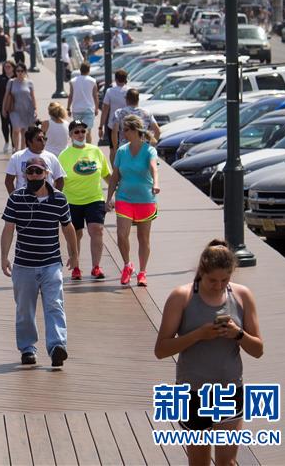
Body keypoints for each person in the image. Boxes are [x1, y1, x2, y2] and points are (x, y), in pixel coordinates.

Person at [154, 240, 263, 466]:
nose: (219, 286)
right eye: (213, 280)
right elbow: (161, 350)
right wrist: (198, 335)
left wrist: (238, 334)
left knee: (227, 462)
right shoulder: (181, 297)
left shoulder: (242, 296)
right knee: (199, 462)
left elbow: (258, 350)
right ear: (201, 272)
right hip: (192, 391)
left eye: (225, 280)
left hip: (229, 389)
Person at [0, 156, 78, 368]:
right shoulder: (16, 198)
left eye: (38, 171)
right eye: (30, 172)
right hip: (24, 264)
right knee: (25, 310)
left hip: (51, 263)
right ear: (25, 175)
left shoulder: (59, 199)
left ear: (47, 174)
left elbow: (68, 227)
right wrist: (4, 256)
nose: (34, 176)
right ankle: (27, 349)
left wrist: (74, 254)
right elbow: (8, 228)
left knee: (55, 305)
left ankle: (57, 346)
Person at [106, 114, 160, 287]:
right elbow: (115, 177)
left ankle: (142, 272)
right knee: (121, 234)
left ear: (136, 130)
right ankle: (127, 265)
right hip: (124, 198)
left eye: (126, 130)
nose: (123, 133)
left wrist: (156, 184)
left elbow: (153, 168)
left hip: (145, 199)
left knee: (143, 238)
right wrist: (109, 198)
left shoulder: (149, 150)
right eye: (122, 130)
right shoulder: (121, 151)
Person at [58, 120, 112, 281]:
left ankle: (96, 267)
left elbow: (107, 175)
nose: (80, 134)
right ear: (70, 135)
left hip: (94, 198)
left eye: (83, 131)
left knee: (97, 230)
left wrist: (115, 194)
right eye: (76, 132)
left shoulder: (96, 151)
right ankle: (75, 267)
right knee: (76, 234)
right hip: (72, 200)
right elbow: (58, 181)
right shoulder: (64, 155)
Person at [5, 125, 66, 194]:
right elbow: (8, 181)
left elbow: (60, 180)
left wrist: (54, 197)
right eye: (39, 139)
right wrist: (15, 198)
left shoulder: (51, 157)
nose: (43, 141)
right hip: (24, 198)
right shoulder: (16, 157)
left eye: (44, 138)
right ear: (29, 142)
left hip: (46, 199)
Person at [110, 89, 161, 159]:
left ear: (126, 99)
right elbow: (157, 131)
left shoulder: (119, 112)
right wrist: (151, 147)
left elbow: (114, 132)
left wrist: (116, 148)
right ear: (138, 99)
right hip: (142, 149)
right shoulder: (147, 112)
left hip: (125, 148)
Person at [3, 62, 37, 152]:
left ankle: (22, 150)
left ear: (25, 71)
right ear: (15, 72)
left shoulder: (30, 82)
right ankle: (16, 149)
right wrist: (3, 109)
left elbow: (33, 97)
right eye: (18, 71)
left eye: (22, 71)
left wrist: (35, 109)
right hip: (14, 110)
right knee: (16, 129)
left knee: (24, 131)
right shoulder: (11, 82)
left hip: (27, 110)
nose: (20, 73)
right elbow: (6, 96)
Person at [100, 69, 130, 159]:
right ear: (126, 79)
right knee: (127, 149)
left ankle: (114, 167)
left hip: (112, 125)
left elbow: (105, 110)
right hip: (127, 124)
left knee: (113, 149)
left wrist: (101, 126)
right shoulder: (130, 91)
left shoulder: (110, 91)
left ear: (116, 79)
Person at [67, 62, 99, 143]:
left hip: (77, 110)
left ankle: (76, 147)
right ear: (89, 70)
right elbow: (95, 96)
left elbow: (71, 95)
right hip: (88, 110)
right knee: (87, 131)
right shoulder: (92, 81)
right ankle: (88, 148)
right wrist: (96, 108)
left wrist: (68, 108)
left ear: (80, 70)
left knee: (76, 130)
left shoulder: (73, 81)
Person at [0, 61, 14, 153]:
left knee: (14, 125)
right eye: (5, 67)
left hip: (15, 106)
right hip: (4, 105)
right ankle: (6, 141)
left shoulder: (16, 78)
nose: (7, 68)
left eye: (9, 67)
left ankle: (14, 144)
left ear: (13, 67)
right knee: (4, 125)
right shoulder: (0, 78)